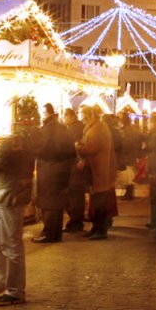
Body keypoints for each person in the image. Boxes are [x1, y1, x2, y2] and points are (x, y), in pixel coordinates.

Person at [0, 127, 35, 306]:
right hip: (4, 193)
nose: (15, 140)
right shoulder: (16, 150)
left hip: (11, 196)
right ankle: (2, 279)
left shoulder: (14, 152)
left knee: (11, 243)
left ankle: (15, 291)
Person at [33, 104, 76, 244]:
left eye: (42, 112)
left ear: (47, 113)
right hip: (62, 169)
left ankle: (49, 233)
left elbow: (42, 148)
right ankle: (56, 233)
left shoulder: (48, 129)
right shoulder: (61, 127)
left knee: (49, 202)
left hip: (50, 168)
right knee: (56, 202)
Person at [78, 107, 118, 240]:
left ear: (89, 115)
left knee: (100, 202)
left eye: (82, 115)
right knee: (96, 201)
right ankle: (96, 228)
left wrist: (78, 147)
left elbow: (91, 148)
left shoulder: (98, 129)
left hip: (99, 171)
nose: (81, 118)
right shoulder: (97, 127)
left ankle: (101, 230)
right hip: (97, 169)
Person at [63, 108, 88, 233]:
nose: (64, 119)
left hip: (75, 166)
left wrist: (81, 158)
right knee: (76, 195)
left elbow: (76, 147)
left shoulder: (74, 129)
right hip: (76, 165)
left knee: (74, 195)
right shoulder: (79, 127)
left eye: (65, 116)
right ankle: (77, 220)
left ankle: (75, 222)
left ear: (72, 116)